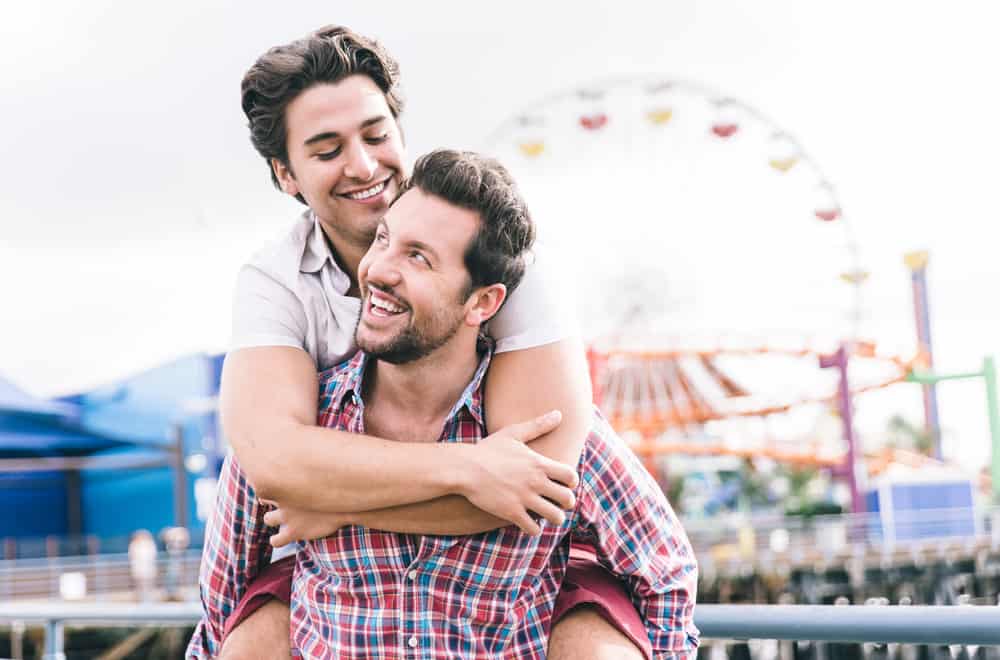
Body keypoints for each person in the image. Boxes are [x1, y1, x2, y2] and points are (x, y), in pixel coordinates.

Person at [201, 24, 671, 660]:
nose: (364, 165)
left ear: (484, 303)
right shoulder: (273, 282)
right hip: (339, 567)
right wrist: (471, 467)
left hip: (498, 567)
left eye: (375, 134)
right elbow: (273, 465)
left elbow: (534, 486)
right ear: (286, 174)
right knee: (252, 636)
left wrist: (335, 511)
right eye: (326, 148)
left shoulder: (499, 258)